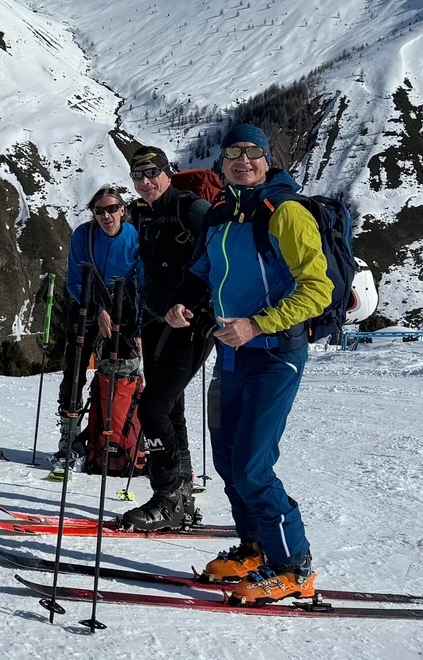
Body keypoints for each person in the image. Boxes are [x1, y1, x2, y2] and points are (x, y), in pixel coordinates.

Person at [165, 124, 332, 604]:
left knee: (254, 465)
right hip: (231, 355)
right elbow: (202, 272)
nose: (243, 161)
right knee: (229, 461)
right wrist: (184, 302)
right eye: (234, 153)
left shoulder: (286, 213)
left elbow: (316, 289)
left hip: (275, 355)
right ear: (222, 163)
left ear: (267, 159)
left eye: (252, 153)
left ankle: (294, 566)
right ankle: (256, 548)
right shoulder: (221, 213)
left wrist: (258, 325)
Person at [117, 146, 214, 530]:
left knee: (152, 409)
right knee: (169, 408)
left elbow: (220, 251)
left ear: (167, 172)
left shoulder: (190, 208)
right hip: (156, 324)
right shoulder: (145, 215)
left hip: (192, 324)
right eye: (137, 176)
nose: (145, 182)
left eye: (152, 173)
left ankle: (168, 496)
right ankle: (182, 493)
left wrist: (191, 303)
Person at [53, 184, 143, 474]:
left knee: (121, 374)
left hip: (124, 308)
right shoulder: (83, 235)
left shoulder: (135, 237)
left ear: (122, 210)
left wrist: (139, 327)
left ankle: (118, 438)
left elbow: (142, 283)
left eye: (112, 208)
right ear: (93, 214)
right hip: (87, 306)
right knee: (75, 370)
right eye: (99, 210)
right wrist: (98, 311)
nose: (106, 215)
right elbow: (74, 281)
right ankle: (69, 439)